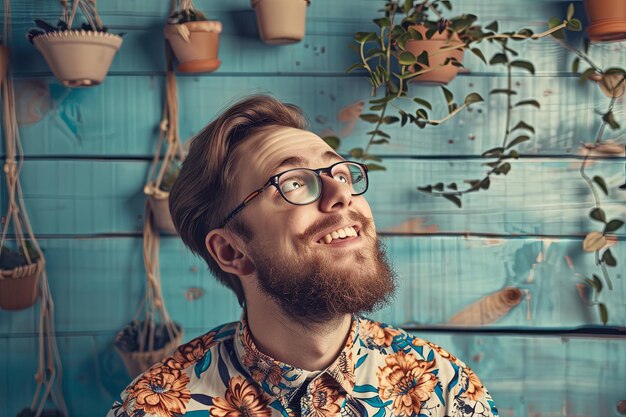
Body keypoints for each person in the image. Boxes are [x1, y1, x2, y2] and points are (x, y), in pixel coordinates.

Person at [107, 95, 498, 417]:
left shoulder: (443, 389)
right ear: (231, 251)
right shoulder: (154, 408)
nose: (341, 194)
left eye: (341, 174)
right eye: (293, 182)